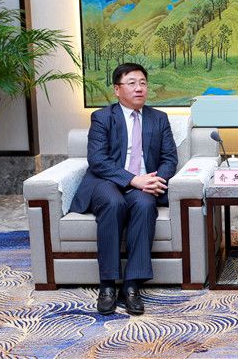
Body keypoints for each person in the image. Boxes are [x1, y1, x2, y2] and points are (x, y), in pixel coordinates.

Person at [70, 63, 178, 315]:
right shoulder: (102, 117)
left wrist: (155, 180)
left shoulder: (159, 118)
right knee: (113, 203)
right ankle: (107, 284)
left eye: (143, 83)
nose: (139, 88)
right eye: (132, 83)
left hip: (145, 183)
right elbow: (97, 160)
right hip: (105, 181)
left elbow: (169, 158)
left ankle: (131, 285)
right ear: (117, 90)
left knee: (145, 204)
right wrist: (132, 180)